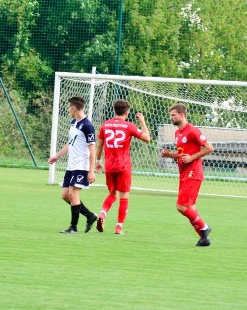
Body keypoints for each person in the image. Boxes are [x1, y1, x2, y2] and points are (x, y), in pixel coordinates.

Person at [159, 103, 214, 247]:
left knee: (181, 207)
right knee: (191, 208)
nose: (171, 118)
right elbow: (181, 154)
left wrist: (192, 157)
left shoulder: (193, 131)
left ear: (182, 115)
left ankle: (204, 227)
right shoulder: (178, 133)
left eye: (173, 115)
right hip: (183, 173)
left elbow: (209, 148)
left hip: (193, 172)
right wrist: (168, 154)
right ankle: (203, 238)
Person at [94, 99, 151, 234]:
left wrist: (98, 161)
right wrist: (142, 121)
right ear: (127, 112)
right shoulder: (128, 126)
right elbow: (147, 138)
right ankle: (119, 227)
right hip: (123, 166)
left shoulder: (105, 125)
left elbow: (100, 145)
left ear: (115, 110)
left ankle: (102, 213)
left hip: (109, 165)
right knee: (124, 196)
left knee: (112, 194)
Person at [47, 96, 97, 234]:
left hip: (82, 165)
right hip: (71, 165)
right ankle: (90, 216)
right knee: (65, 195)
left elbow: (92, 150)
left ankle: (73, 228)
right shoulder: (73, 122)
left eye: (69, 107)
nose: (69, 110)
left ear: (74, 108)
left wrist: (91, 171)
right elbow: (70, 143)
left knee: (73, 193)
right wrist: (57, 156)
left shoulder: (87, 126)